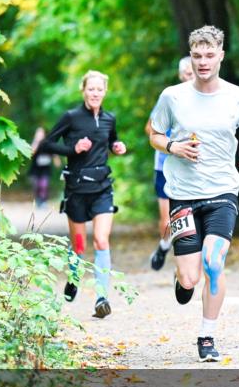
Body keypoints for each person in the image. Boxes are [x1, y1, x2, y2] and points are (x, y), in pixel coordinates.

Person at [148, 25, 239, 362]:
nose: (203, 62)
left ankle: (207, 336)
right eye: (197, 55)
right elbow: (154, 134)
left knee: (214, 263)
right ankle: (182, 279)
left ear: (221, 56)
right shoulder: (173, 96)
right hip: (183, 195)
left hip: (223, 191)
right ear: (192, 56)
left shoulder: (238, 97)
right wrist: (173, 146)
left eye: (209, 55)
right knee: (190, 277)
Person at [38, 70, 127, 319]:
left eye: (99, 89)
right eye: (91, 89)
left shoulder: (110, 118)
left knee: (101, 240)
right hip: (77, 188)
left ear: (105, 92)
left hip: (102, 188)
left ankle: (101, 297)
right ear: (83, 90)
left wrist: (116, 146)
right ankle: (74, 276)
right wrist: (72, 149)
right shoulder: (72, 117)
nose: (95, 93)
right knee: (79, 246)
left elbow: (112, 141)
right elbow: (47, 144)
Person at [147, 57, 194, 270]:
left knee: (191, 220)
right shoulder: (170, 97)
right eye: (186, 72)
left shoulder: (206, 98)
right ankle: (164, 245)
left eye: (192, 71)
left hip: (192, 167)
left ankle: (182, 266)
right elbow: (150, 129)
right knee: (168, 221)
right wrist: (170, 141)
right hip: (165, 166)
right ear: (180, 75)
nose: (190, 75)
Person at [28, 126, 56, 207]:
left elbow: (53, 153)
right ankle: (38, 201)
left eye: (41, 133)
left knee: (44, 185)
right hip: (35, 169)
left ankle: (44, 201)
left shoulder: (47, 143)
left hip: (45, 169)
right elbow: (32, 153)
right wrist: (37, 141)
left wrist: (56, 159)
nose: (40, 134)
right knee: (36, 186)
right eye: (38, 133)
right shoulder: (34, 143)